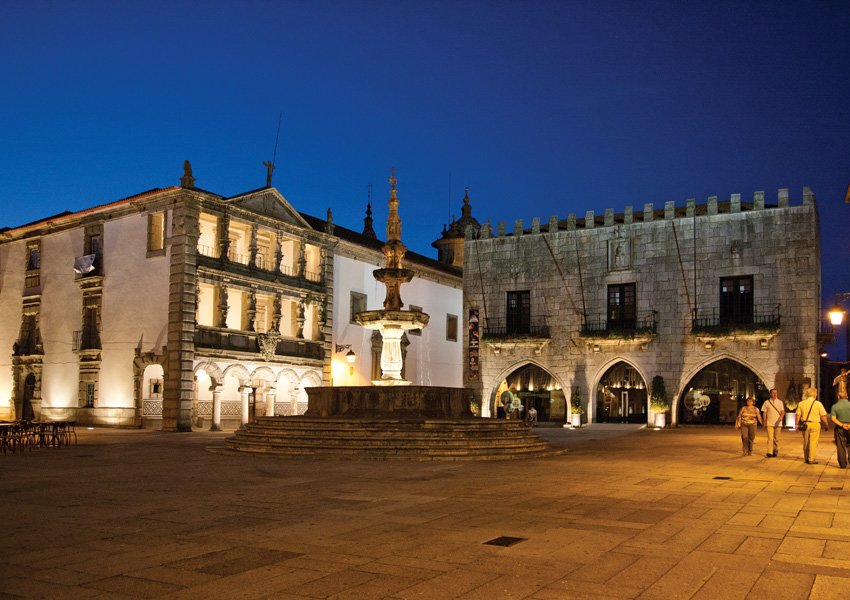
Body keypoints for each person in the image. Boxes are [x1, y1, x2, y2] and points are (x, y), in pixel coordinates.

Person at [796, 387, 829, 464]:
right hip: (815, 424)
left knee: (806, 442)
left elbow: (798, 414)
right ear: (815, 394)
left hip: (805, 424)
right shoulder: (818, 404)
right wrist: (826, 424)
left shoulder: (801, 403)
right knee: (813, 442)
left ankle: (806, 458)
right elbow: (823, 415)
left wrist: (796, 424)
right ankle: (811, 458)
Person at [761, 388, 785, 457]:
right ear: (770, 394)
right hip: (769, 423)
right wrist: (764, 421)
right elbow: (764, 412)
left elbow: (782, 411)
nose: (775, 394)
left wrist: (781, 416)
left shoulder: (780, 402)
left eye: (776, 393)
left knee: (776, 439)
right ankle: (769, 452)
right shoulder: (766, 402)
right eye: (773, 393)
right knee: (770, 438)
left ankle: (775, 450)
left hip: (778, 423)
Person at [830, 392, 850, 468]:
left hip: (840, 428)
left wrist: (842, 425)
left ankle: (843, 464)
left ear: (838, 397)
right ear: (847, 396)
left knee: (841, 446)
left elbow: (833, 418)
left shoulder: (835, 406)